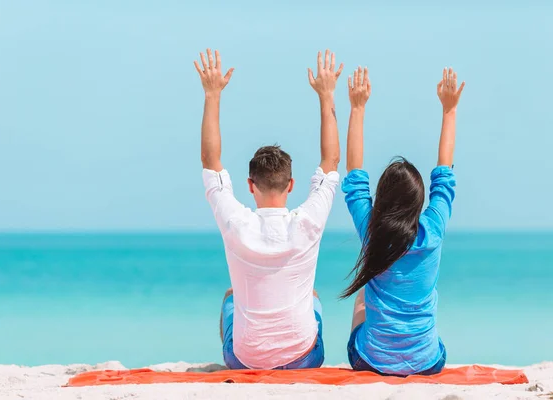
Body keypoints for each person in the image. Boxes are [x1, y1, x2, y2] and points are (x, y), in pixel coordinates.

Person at [194, 48, 343, 369]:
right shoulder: (308, 223)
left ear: (250, 185)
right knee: (313, 299)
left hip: (244, 360)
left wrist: (212, 94)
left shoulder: (236, 223)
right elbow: (331, 162)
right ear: (291, 185)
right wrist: (327, 94)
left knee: (230, 298)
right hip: (304, 358)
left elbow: (210, 162)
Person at [341, 66, 464, 376]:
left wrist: (357, 108)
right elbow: (444, 174)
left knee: (360, 300)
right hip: (428, 363)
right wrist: (449, 111)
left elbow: (354, 178)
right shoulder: (432, 230)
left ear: (380, 200)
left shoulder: (372, 230)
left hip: (370, 362)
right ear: (418, 202)